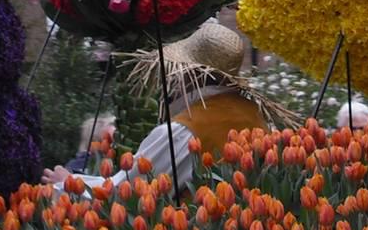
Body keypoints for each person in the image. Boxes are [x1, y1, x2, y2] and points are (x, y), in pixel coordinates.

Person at [43, 19, 272, 195]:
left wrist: (68, 183)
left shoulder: (183, 131)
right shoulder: (254, 113)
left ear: (188, 75)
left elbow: (127, 193)